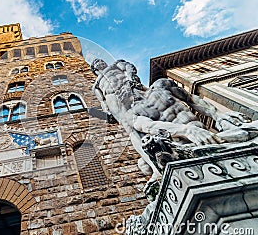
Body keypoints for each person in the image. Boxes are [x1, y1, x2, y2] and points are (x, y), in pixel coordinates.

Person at [91, 58, 258, 179]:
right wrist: (107, 111)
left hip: (199, 132)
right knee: (132, 131)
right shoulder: (104, 91)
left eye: (99, 61)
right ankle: (154, 167)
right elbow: (103, 103)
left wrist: (218, 115)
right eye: (95, 65)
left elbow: (191, 99)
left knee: (163, 86)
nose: (98, 63)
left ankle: (222, 121)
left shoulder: (159, 86)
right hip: (181, 143)